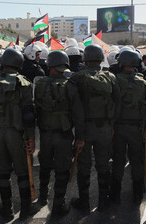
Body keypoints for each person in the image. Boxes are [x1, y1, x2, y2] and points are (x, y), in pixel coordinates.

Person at [0, 48, 37, 221]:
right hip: (17, 134)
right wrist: (31, 137)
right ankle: (25, 208)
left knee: (3, 172)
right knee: (22, 172)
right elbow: (28, 114)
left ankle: (7, 209)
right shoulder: (24, 83)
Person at [35, 51, 85, 218]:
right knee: (62, 170)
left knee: (45, 165)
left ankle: (42, 197)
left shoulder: (40, 84)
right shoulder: (70, 86)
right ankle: (58, 205)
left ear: (50, 65)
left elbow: (36, 109)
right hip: (64, 134)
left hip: (45, 133)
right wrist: (80, 137)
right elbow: (78, 115)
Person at [70, 44, 120, 212]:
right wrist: (111, 125)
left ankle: (84, 202)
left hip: (84, 128)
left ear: (86, 59)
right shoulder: (111, 77)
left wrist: (78, 133)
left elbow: (73, 107)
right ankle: (103, 202)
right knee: (103, 165)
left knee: (83, 166)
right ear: (100, 59)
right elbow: (117, 103)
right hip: (105, 128)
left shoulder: (77, 77)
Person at [110, 50, 146, 205]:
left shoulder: (114, 81)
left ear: (121, 63)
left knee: (118, 160)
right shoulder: (143, 82)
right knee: (136, 160)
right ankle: (137, 194)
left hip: (118, 127)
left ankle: (115, 195)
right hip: (136, 128)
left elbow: (110, 106)